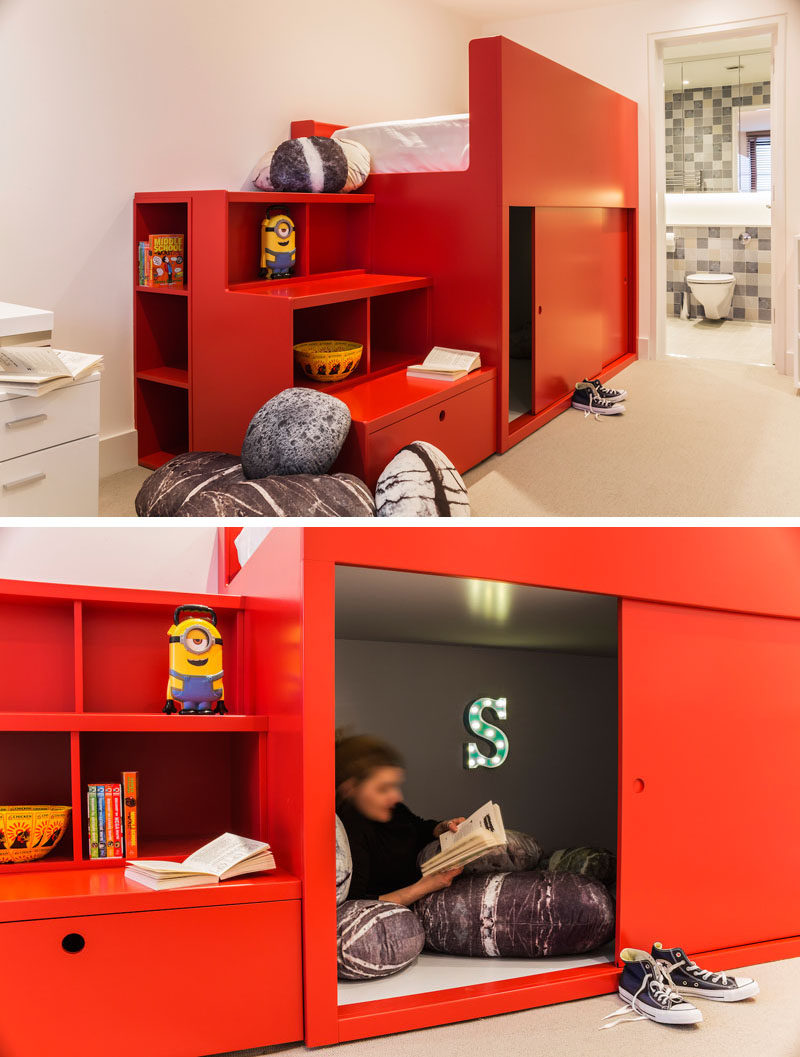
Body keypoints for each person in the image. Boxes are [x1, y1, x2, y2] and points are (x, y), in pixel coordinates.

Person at [335, 733, 464, 906]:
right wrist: (424, 887)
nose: (397, 796)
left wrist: (442, 827)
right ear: (349, 789)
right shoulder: (348, 833)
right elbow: (354, 904)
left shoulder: (395, 811)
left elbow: (418, 827)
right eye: (383, 789)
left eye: (396, 785)